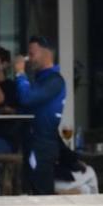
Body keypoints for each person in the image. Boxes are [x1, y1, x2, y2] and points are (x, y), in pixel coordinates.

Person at [13, 36, 68, 197]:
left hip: (42, 143)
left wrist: (20, 74)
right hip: (32, 141)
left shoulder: (54, 80)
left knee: (41, 193)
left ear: (46, 53)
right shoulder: (41, 79)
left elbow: (27, 98)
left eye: (32, 54)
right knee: (30, 190)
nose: (29, 59)